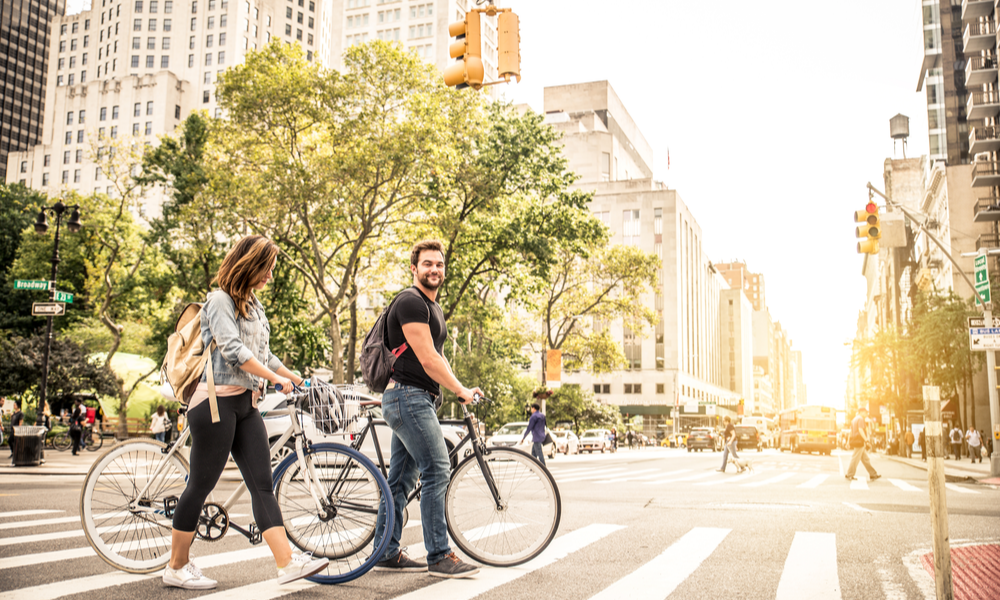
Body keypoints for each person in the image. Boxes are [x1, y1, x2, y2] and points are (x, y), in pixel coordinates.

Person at [164, 235, 327, 590]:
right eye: (267, 268)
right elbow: (233, 349)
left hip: (246, 404)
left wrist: (295, 379)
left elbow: (264, 354)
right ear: (250, 264)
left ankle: (286, 563)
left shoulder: (253, 306)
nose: (270, 275)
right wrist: (272, 379)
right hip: (215, 404)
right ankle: (176, 566)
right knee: (201, 484)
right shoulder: (219, 300)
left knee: (262, 485)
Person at [374, 240, 482, 579]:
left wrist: (461, 388)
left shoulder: (432, 308)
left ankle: (386, 550)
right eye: (427, 264)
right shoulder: (410, 302)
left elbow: (439, 356)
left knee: (401, 481)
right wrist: (458, 389)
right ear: (414, 268)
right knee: (437, 469)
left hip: (415, 398)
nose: (434, 269)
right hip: (407, 397)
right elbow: (427, 358)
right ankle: (439, 556)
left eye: (439, 264)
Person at [845, 407, 881, 481]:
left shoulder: (854, 419)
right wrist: (866, 440)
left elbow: (851, 432)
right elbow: (860, 430)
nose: (867, 414)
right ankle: (849, 474)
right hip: (860, 441)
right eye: (865, 412)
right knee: (855, 458)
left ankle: (873, 474)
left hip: (856, 440)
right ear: (861, 412)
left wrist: (848, 442)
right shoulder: (861, 419)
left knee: (865, 459)